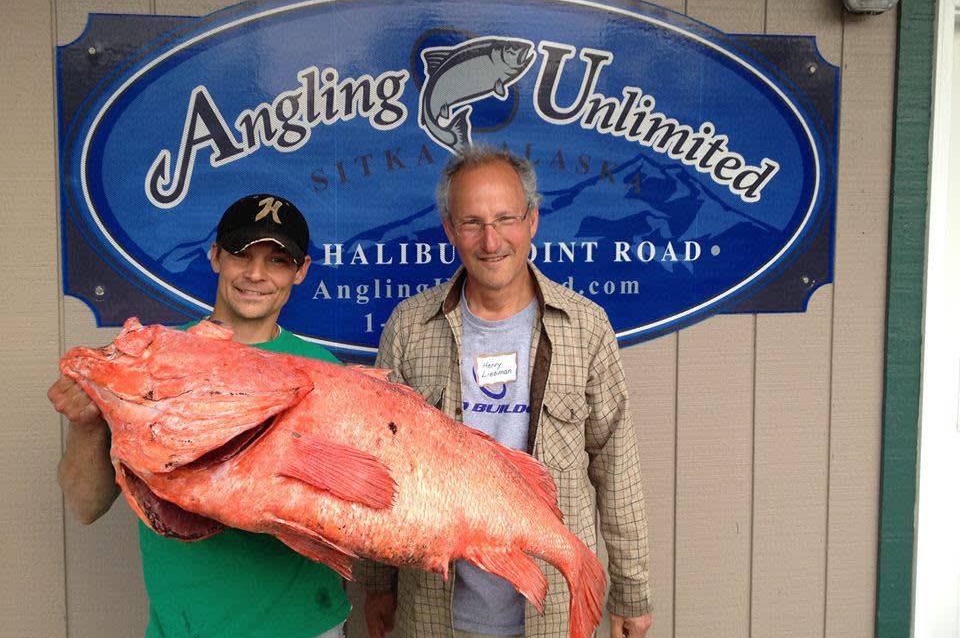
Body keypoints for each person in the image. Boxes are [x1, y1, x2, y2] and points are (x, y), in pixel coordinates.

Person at [360, 147, 653, 638]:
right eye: (472, 222)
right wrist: (376, 584)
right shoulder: (410, 327)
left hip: (552, 613)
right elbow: (380, 464)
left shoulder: (586, 327)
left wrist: (630, 590)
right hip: (435, 612)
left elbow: (617, 468)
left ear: (532, 220)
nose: (491, 240)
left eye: (505, 219)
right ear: (451, 230)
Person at [48, 193, 351, 638]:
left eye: (277, 260)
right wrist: (86, 422)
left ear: (301, 271)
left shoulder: (327, 375)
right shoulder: (152, 362)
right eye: (240, 255)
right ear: (215, 258)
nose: (254, 274)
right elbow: (85, 504)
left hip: (308, 624)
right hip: (186, 629)